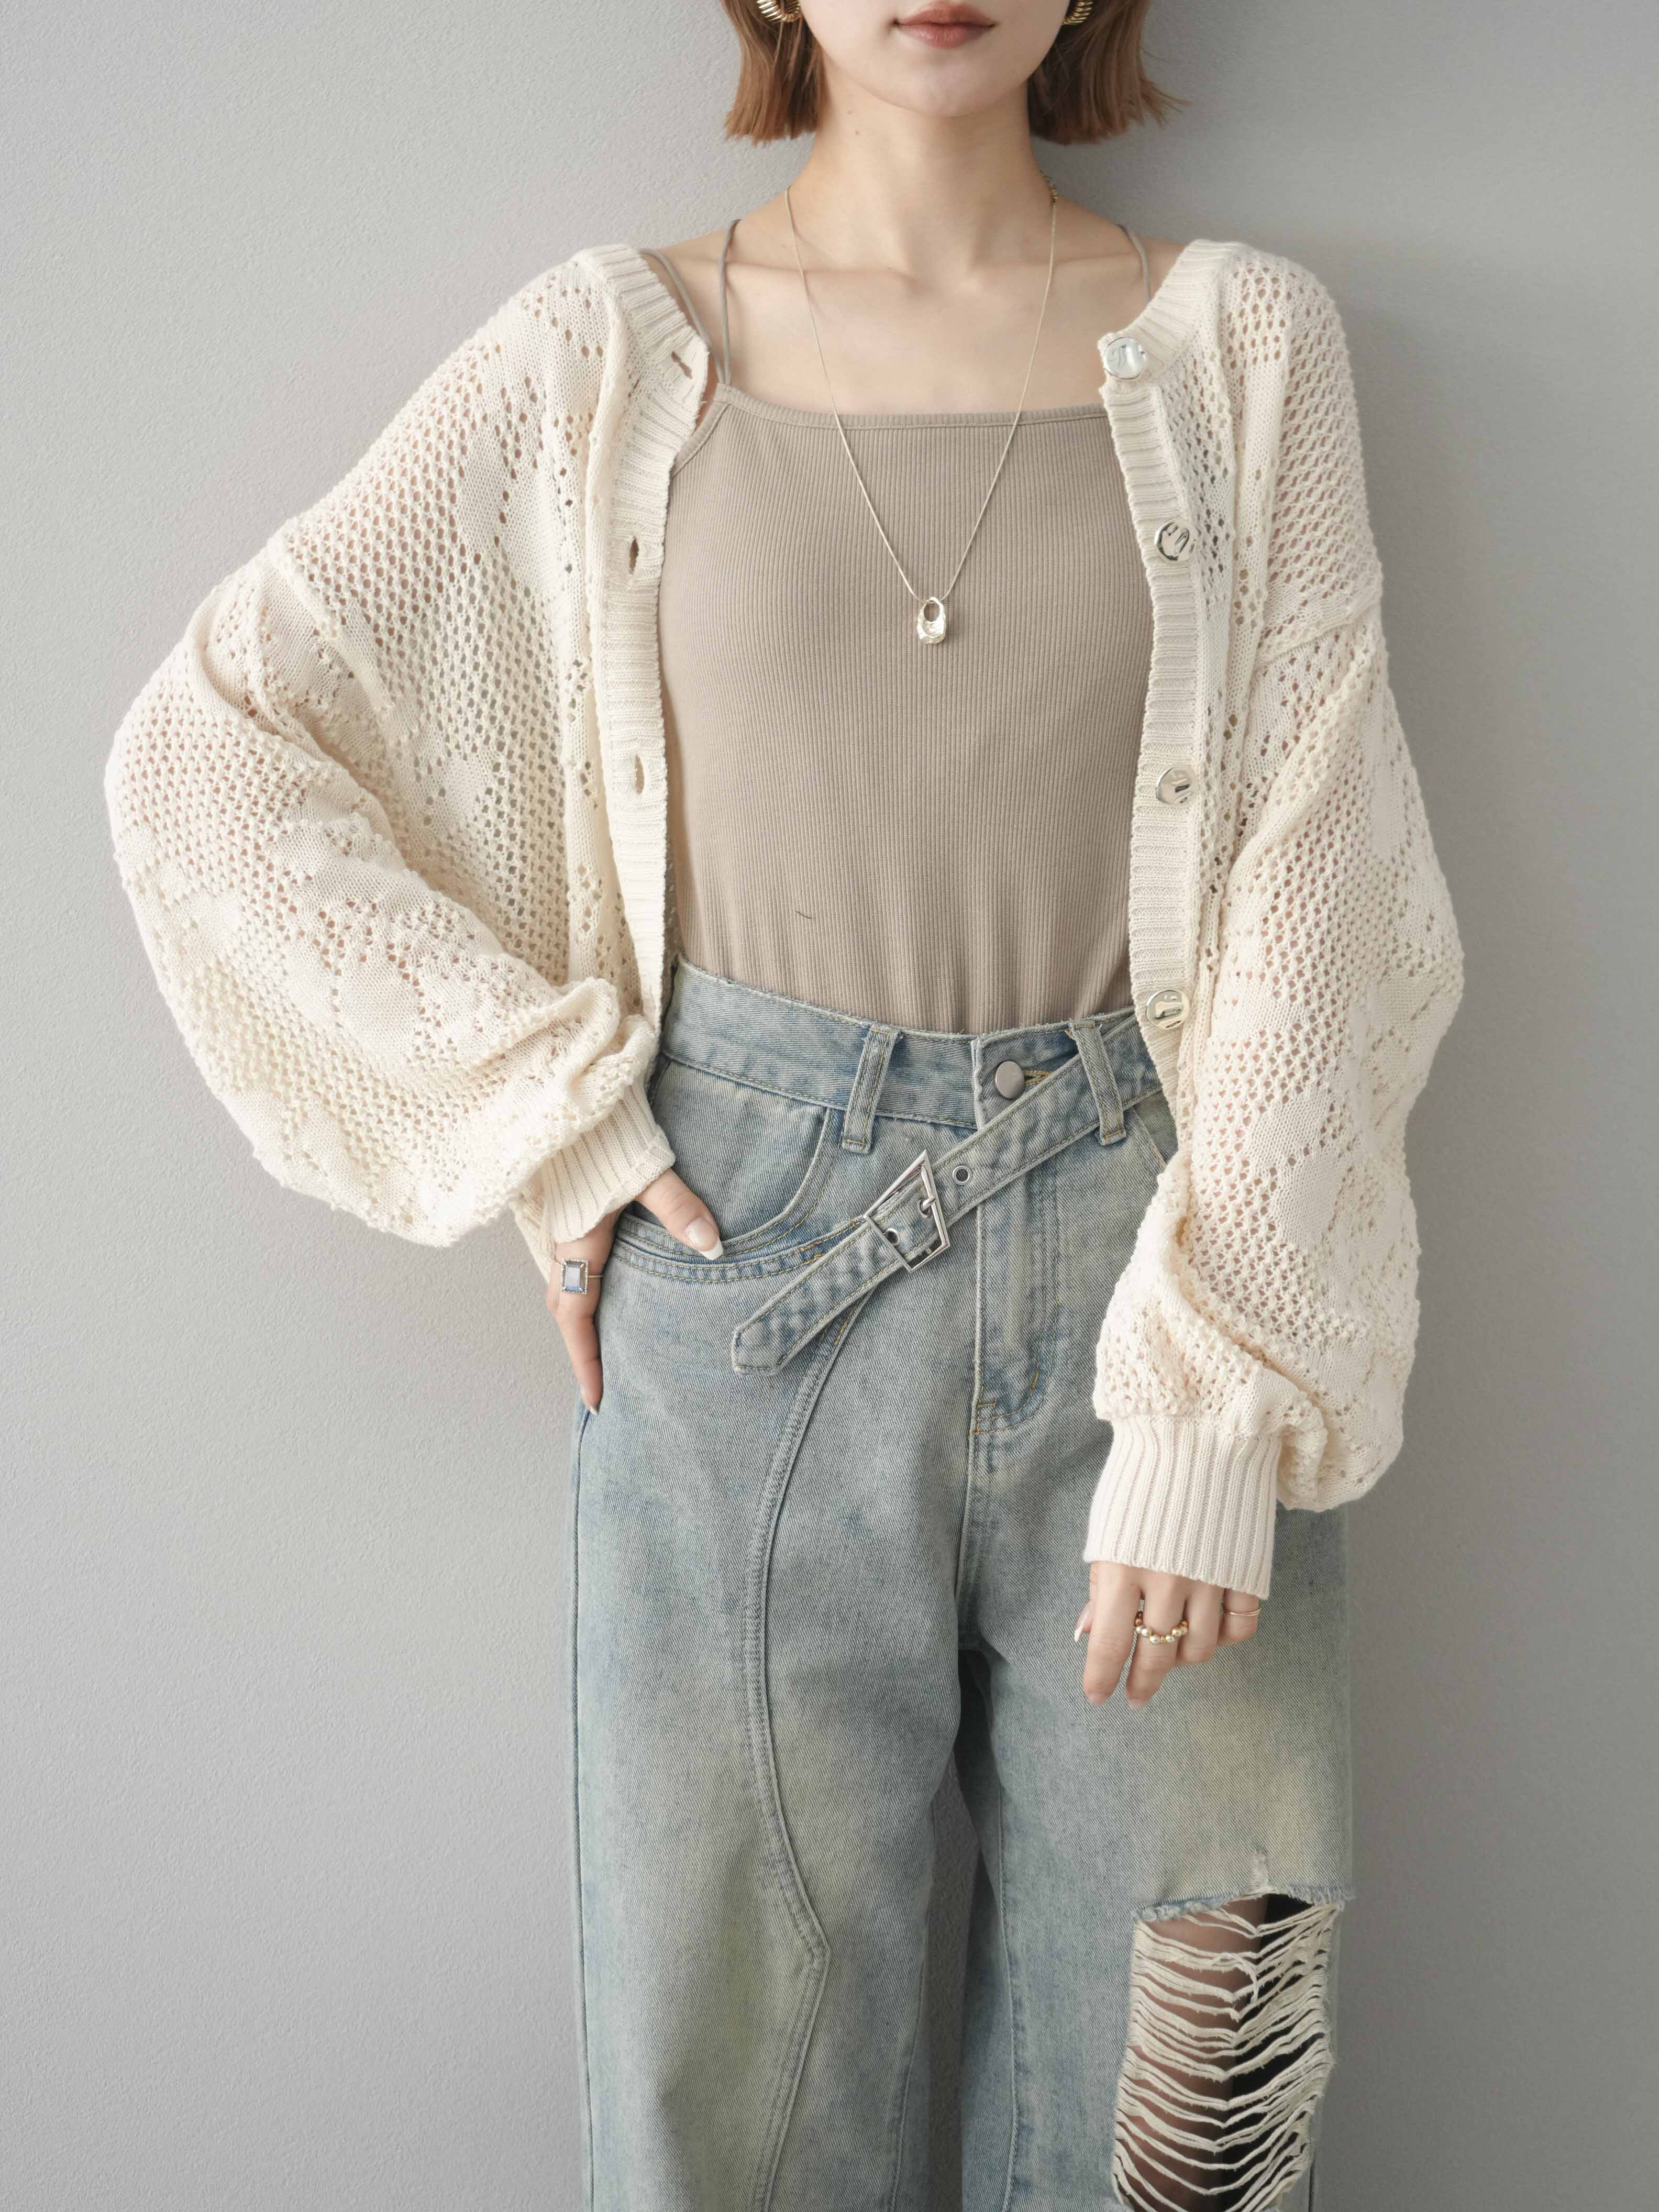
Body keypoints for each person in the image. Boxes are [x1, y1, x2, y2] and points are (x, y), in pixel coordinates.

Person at [103, 3, 1466, 2206]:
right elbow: (210, 756)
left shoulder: (1243, 343)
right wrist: (552, 1122)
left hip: (1186, 1270)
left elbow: (1325, 865)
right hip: (736, 1287)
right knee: (729, 2107)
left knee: (1188, 2119)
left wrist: (1224, 1399)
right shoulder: (601, 355)